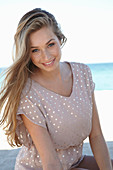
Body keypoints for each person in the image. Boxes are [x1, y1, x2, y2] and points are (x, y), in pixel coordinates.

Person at [0, 8, 112, 170]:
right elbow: (50, 162)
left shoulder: (83, 74)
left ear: (60, 39)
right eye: (35, 50)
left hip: (74, 161)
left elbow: (96, 136)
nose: (45, 56)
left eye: (50, 44)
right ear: (27, 54)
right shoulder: (28, 93)